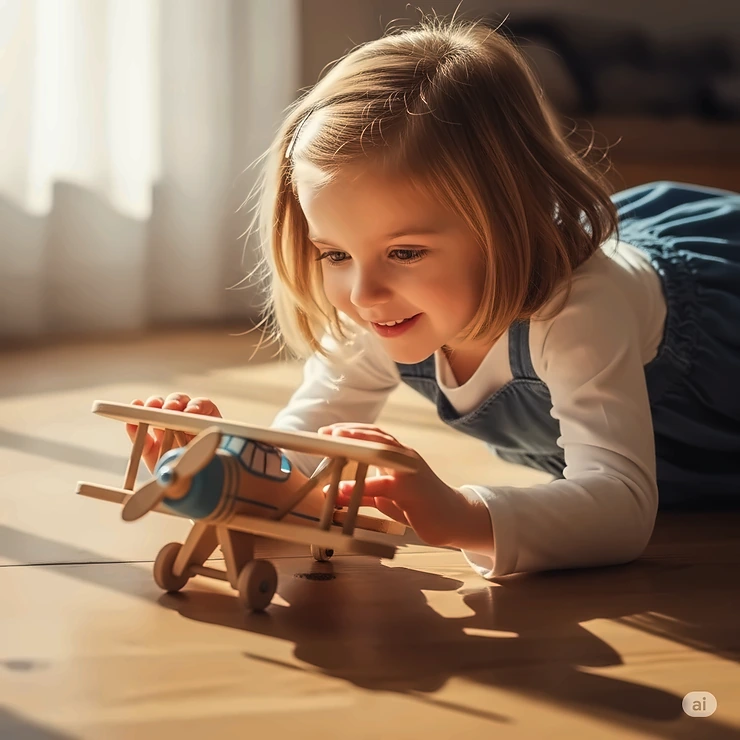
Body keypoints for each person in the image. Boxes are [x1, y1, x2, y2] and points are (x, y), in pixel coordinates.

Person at [127, 17, 740, 579]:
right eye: (335, 254)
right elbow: (304, 447)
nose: (363, 294)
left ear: (507, 226)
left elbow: (622, 506)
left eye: (406, 252)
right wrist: (219, 462)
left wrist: (458, 514)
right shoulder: (380, 306)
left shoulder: (578, 309)